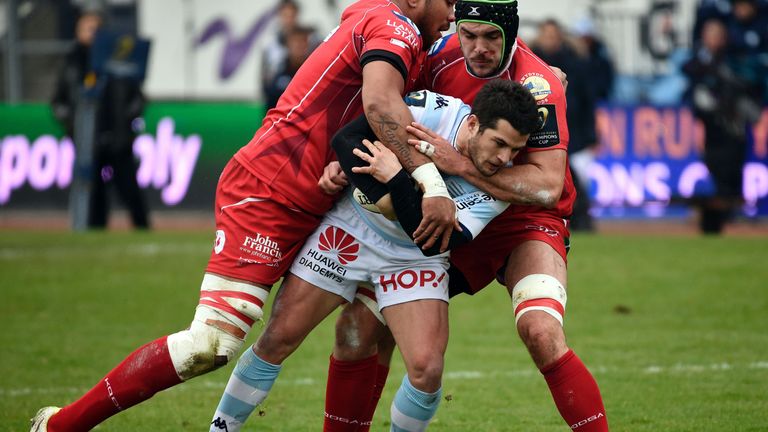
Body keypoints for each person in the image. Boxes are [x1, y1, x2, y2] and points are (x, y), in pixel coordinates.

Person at [31, 1, 456, 430]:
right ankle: (61, 425)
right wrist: (433, 185)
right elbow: (381, 107)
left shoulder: (383, 21)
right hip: (269, 192)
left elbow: (354, 113)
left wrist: (341, 161)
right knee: (211, 342)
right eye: (449, 1)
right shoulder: (393, 25)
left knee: (361, 328)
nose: (454, 13)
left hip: (322, 202)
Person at [320, 1, 610, 431]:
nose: (478, 48)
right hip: (452, 208)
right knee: (359, 329)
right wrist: (344, 159)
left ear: (511, 34)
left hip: (526, 218)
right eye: (469, 34)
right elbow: (390, 117)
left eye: (492, 37)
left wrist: (458, 166)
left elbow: (547, 187)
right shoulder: (437, 55)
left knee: (541, 331)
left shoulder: (539, 84)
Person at [209, 80, 541, 432]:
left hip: (414, 258)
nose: (504, 159)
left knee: (426, 370)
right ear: (473, 124)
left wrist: (395, 181)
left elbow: (435, 241)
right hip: (350, 230)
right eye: (499, 143)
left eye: (514, 150)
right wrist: (378, 189)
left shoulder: (500, 185)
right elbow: (347, 141)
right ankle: (220, 429)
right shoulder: (431, 111)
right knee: (278, 338)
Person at [51, 10, 150, 230]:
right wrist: (74, 126)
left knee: (129, 187)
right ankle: (95, 228)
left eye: (95, 29)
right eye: (86, 29)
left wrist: (127, 123)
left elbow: (137, 98)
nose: (91, 34)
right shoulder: (72, 62)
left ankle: (143, 227)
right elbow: (59, 101)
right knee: (92, 189)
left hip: (118, 138)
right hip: (88, 141)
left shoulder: (118, 62)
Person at [682, 17, 763, 234]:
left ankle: (731, 220)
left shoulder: (734, 60)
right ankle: (724, 221)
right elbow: (692, 87)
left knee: (733, 173)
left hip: (733, 127)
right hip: (712, 128)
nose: (712, 40)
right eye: (709, 35)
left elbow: (748, 86)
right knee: (716, 170)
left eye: (716, 36)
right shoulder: (700, 63)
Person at [531, 18, 597, 232]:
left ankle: (582, 222)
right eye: (546, 35)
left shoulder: (576, 65)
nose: (550, 40)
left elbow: (588, 102)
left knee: (576, 182)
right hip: (542, 134)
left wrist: (592, 136)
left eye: (553, 35)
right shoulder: (528, 63)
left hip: (574, 133)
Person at [263, 25, 315, 110]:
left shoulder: (315, 71)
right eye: (296, 41)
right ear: (288, 45)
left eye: (303, 41)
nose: (300, 45)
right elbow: (270, 104)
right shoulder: (277, 69)